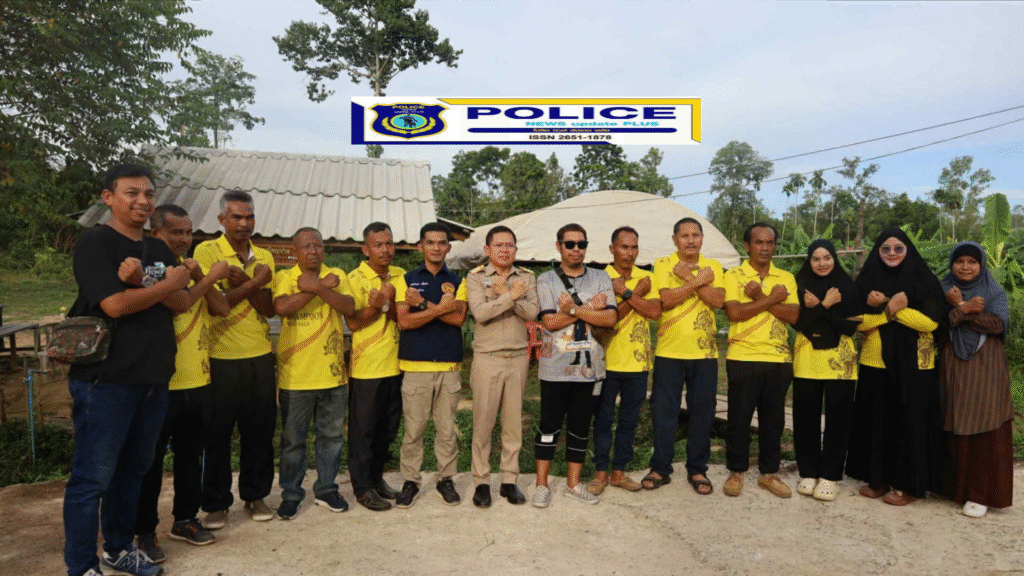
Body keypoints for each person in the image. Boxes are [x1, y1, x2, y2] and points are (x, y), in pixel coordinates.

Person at [64, 164, 192, 576]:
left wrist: (144, 284)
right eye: (131, 193)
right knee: (92, 479)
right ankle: (81, 566)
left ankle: (118, 549)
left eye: (149, 194)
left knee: (133, 472)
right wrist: (163, 285)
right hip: (106, 381)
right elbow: (114, 306)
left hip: (153, 379)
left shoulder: (158, 250)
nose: (142, 201)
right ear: (109, 198)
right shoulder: (95, 242)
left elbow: (183, 302)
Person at [133, 205, 230, 563]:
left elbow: (221, 308)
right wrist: (206, 278)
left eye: (188, 232)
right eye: (176, 232)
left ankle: (185, 519)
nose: (184, 239)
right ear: (156, 234)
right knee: (150, 462)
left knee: (191, 457)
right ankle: (144, 530)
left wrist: (203, 275)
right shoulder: (150, 271)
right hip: (160, 384)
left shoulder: (190, 269)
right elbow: (180, 304)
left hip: (198, 380)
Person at [193, 191, 277, 527]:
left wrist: (251, 283)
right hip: (220, 356)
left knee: (259, 431)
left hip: (260, 356)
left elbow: (268, 309)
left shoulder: (265, 256)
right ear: (222, 220)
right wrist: (255, 282)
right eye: (237, 217)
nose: (244, 223)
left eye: (249, 217)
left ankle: (256, 496)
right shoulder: (207, 252)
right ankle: (216, 503)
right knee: (217, 434)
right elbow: (218, 305)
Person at [846, 228, 945, 506]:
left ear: (908, 251)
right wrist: (891, 311)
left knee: (909, 423)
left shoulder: (924, 280)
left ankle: (907, 485)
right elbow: (857, 322)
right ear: (877, 252)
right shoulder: (867, 280)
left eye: (898, 248)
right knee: (877, 422)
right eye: (885, 249)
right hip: (875, 361)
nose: (891, 254)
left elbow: (930, 323)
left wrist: (887, 304)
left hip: (915, 364)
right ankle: (877, 479)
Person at [273, 228, 356, 519]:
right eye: (306, 246)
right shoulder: (285, 277)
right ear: (294, 252)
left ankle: (326, 489)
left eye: (318, 246)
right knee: (293, 441)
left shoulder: (337, 274)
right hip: (296, 376)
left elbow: (349, 307)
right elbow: (282, 307)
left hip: (333, 375)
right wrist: (321, 287)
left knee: (331, 437)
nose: (313, 251)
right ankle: (291, 494)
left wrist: (318, 287)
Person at [533, 223, 617, 507]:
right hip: (554, 368)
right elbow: (550, 321)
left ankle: (573, 484)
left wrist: (570, 308)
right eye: (569, 244)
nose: (576, 249)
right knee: (549, 427)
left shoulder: (601, 277)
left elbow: (610, 319)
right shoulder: (546, 280)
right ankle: (541, 485)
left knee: (580, 428)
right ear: (559, 246)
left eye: (581, 244)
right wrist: (589, 309)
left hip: (589, 370)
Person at [643, 217, 724, 494]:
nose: (690, 240)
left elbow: (717, 301)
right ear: (675, 239)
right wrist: (699, 282)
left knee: (703, 412)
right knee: (664, 412)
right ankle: (660, 468)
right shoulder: (663, 264)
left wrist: (688, 278)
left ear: (702, 238)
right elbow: (666, 300)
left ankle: (697, 469)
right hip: (669, 351)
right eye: (685, 236)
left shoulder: (713, 266)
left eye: (695, 235)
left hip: (705, 354)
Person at [392, 223, 468, 508]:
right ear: (420, 246)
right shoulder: (406, 280)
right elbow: (404, 321)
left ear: (448, 247)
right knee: (414, 430)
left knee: (447, 430)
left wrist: (422, 304)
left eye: (441, 243)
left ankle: (445, 479)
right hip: (415, 367)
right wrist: (442, 308)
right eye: (430, 242)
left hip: (448, 367)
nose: (436, 247)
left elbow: (458, 319)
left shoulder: (459, 281)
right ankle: (410, 481)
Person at [722, 223, 799, 498]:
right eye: (758, 242)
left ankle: (769, 473)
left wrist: (758, 297)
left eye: (770, 243)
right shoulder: (734, 275)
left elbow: (793, 317)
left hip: (779, 358)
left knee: (773, 420)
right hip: (743, 355)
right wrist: (773, 299)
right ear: (747, 246)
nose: (765, 248)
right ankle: (736, 471)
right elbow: (735, 313)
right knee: (739, 417)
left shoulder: (786, 278)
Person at [465, 225, 538, 508]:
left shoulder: (526, 277)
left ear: (516, 250)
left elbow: (533, 313)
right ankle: (481, 481)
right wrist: (512, 296)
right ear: (487, 249)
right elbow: (480, 313)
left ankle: (509, 480)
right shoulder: (476, 277)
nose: (505, 250)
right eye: (499, 245)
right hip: (488, 358)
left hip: (518, 358)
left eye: (510, 245)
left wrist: (505, 294)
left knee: (513, 424)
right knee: (483, 423)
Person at [940, 241, 1013, 517]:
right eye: (959, 261)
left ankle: (980, 494)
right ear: (952, 264)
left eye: (972, 262)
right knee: (953, 416)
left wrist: (961, 308)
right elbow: (938, 324)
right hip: (952, 363)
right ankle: (952, 488)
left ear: (981, 265)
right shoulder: (943, 288)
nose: (965, 267)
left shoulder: (993, 290)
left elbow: (998, 324)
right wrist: (963, 307)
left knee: (985, 419)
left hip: (986, 364)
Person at [588, 226, 660, 495]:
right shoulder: (599, 278)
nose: (629, 253)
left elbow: (654, 312)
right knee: (603, 419)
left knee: (629, 420)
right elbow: (603, 322)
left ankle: (619, 472)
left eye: (634, 247)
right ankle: (600, 473)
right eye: (624, 247)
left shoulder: (647, 278)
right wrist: (635, 294)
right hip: (605, 362)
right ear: (612, 249)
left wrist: (628, 293)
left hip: (638, 363)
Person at [791, 239, 861, 502]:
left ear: (834, 258)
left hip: (840, 363)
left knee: (838, 420)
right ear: (809, 261)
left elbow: (850, 328)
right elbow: (799, 324)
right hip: (807, 359)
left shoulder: (847, 287)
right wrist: (827, 306)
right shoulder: (799, 286)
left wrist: (821, 307)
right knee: (805, 418)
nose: (822, 263)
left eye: (827, 258)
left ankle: (830, 476)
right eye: (816, 259)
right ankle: (808, 472)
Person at [345, 222, 405, 511]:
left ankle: (377, 479)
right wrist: (378, 304)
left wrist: (386, 304)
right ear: (365, 249)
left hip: (397, 365)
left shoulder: (401, 276)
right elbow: (354, 323)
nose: (385, 250)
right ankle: (363, 488)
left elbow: (404, 317)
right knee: (364, 433)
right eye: (378, 245)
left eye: (389, 243)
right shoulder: (354, 278)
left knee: (387, 431)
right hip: (366, 368)